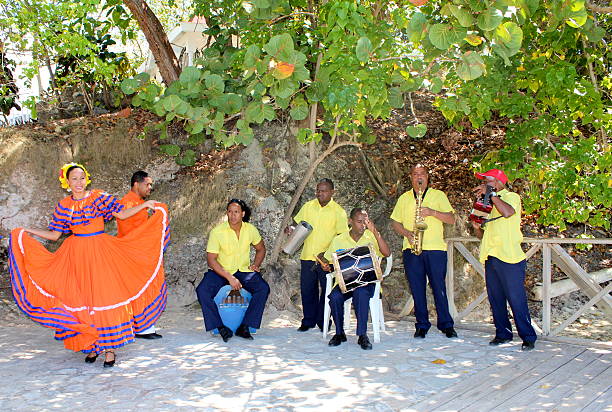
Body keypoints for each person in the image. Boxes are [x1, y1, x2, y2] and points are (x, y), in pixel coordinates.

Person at [7, 163, 169, 367]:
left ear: (87, 179)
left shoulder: (99, 196)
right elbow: (55, 235)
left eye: (81, 178)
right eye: (74, 178)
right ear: (66, 182)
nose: (78, 182)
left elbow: (121, 214)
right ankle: (93, 346)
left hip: (100, 252)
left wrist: (145, 205)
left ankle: (109, 350)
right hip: (76, 256)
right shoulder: (64, 205)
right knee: (84, 299)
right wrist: (27, 231)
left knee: (103, 297)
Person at [470, 168, 537, 351]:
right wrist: (476, 226)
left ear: (498, 182)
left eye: (487, 181)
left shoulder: (511, 197)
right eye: (483, 182)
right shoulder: (489, 201)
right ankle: (503, 334)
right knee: (496, 299)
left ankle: (528, 337)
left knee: (516, 299)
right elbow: (480, 233)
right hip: (491, 255)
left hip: (510, 257)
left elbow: (508, 213)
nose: (483, 184)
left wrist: (491, 195)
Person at [390, 164, 458, 339]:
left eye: (422, 174)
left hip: (435, 249)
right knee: (417, 288)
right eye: (415, 174)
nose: (418, 177)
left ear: (427, 177)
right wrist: (407, 234)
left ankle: (446, 324)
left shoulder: (438, 195)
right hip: (412, 248)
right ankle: (421, 324)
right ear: (411, 177)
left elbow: (451, 219)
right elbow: (395, 223)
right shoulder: (404, 198)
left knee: (439, 287)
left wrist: (432, 212)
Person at [195, 199, 269, 342]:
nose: (232, 215)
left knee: (263, 288)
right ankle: (219, 327)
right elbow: (211, 260)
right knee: (202, 290)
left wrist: (256, 264)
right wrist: (229, 277)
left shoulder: (250, 229)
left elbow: (261, 249)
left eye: (236, 212)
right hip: (221, 271)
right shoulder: (217, 232)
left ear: (243, 213)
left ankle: (246, 326)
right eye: (230, 212)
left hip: (243, 271)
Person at [319, 208, 390, 350]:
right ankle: (339, 333)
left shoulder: (371, 236)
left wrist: (375, 231)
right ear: (350, 221)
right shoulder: (339, 240)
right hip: (346, 282)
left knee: (361, 293)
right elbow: (327, 258)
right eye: (359, 222)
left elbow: (386, 253)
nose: (363, 225)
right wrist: (326, 266)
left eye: (365, 222)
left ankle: (362, 335)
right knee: (334, 297)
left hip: (366, 282)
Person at [290, 178, 348, 332]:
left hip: (326, 260)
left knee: (326, 291)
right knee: (307, 290)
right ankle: (308, 320)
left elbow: (342, 238)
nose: (319, 193)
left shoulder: (339, 212)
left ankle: (323, 320)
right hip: (308, 256)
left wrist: (328, 254)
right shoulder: (308, 206)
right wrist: (291, 229)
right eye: (318, 190)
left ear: (332, 192)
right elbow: (297, 224)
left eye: (323, 191)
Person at [117, 170, 168, 340]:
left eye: (151, 185)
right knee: (138, 289)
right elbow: (126, 219)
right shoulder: (127, 202)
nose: (150, 187)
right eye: (147, 184)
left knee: (142, 289)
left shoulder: (139, 202)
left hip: (139, 253)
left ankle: (142, 325)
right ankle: (141, 327)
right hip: (130, 254)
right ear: (136, 184)